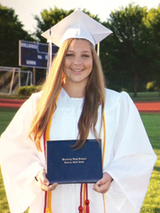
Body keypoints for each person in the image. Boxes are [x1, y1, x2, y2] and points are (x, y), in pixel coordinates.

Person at [0, 10, 157, 213]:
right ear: (60, 59)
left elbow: (137, 153)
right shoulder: (38, 104)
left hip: (100, 203)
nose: (77, 62)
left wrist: (112, 175)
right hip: (54, 202)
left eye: (85, 55)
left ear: (94, 60)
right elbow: (13, 147)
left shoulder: (116, 104)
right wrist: (37, 173)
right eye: (70, 55)